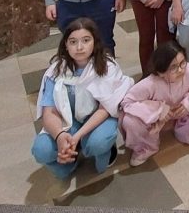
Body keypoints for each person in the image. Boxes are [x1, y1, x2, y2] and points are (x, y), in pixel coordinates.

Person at [31, 18, 133, 179]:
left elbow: (105, 108)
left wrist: (77, 136)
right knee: (41, 150)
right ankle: (71, 155)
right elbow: (48, 111)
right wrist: (59, 136)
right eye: (73, 42)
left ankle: (100, 147)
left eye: (86, 40)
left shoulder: (107, 67)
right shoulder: (56, 70)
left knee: (98, 144)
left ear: (95, 42)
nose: (79, 47)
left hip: (97, 119)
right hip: (68, 121)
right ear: (65, 44)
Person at [119, 41, 189, 166]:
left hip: (186, 113)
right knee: (129, 120)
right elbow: (127, 102)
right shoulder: (151, 83)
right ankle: (146, 147)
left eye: (183, 63)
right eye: (173, 67)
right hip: (158, 120)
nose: (181, 70)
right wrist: (158, 110)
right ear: (161, 72)